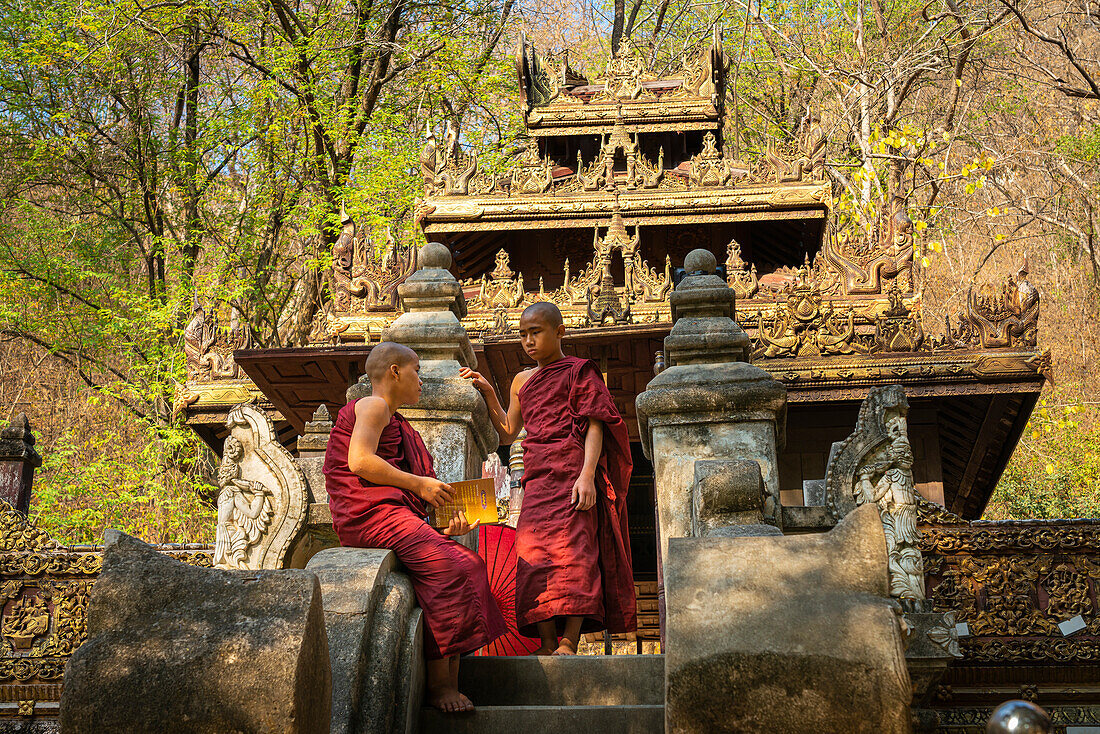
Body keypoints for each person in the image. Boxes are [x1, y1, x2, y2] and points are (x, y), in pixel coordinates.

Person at [323, 342, 506, 713]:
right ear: (394, 371)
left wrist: (445, 525)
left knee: (465, 561)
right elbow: (359, 461)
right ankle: (441, 686)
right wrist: (419, 484)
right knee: (456, 567)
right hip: (370, 516)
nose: (421, 380)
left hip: (393, 515)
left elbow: (403, 490)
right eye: (416, 370)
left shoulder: (399, 422)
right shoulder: (373, 405)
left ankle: (449, 679)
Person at [461, 302, 636, 655]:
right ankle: (548, 641)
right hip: (537, 479)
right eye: (523, 334)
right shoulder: (521, 381)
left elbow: (596, 424)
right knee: (532, 554)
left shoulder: (579, 371)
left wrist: (587, 475)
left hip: (572, 473)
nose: (528, 341)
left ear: (559, 332)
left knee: (577, 555)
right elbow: (509, 430)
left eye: (535, 332)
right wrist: (488, 391)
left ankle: (569, 641)